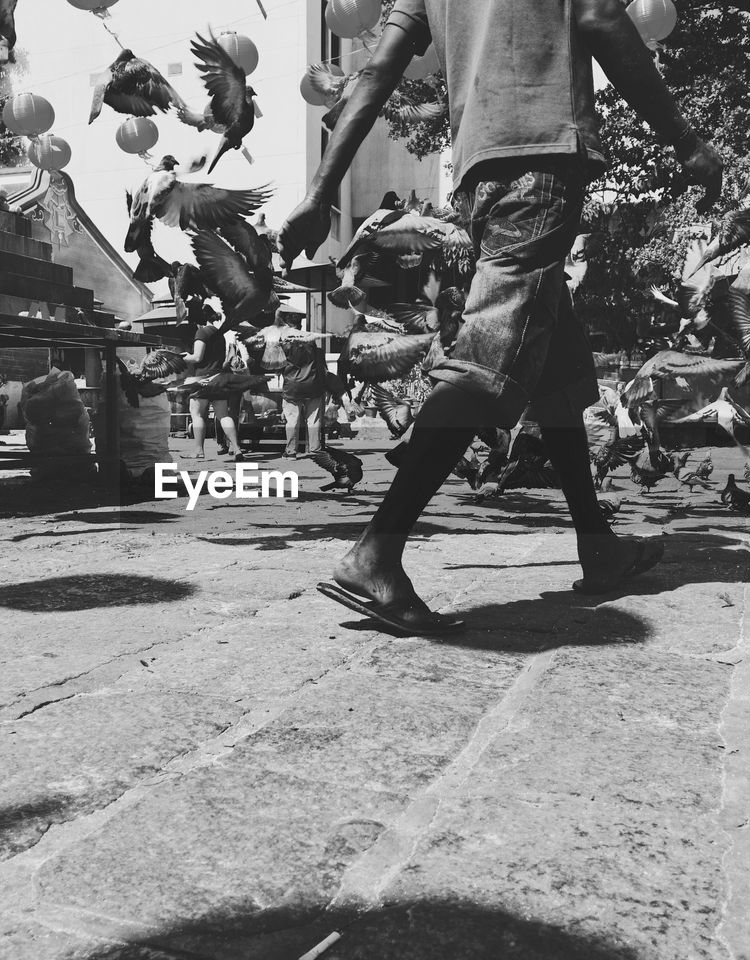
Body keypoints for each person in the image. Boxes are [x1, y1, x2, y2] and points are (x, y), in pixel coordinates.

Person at [279, 0, 723, 635]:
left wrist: (322, 193)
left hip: (480, 174)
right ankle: (376, 553)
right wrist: (684, 140)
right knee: (485, 361)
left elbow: (378, 69)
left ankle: (598, 545)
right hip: (541, 162)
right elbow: (600, 17)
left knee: (558, 373)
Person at [184, 309, 246, 460]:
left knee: (197, 415)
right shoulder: (220, 334)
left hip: (203, 379)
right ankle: (237, 448)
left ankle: (199, 450)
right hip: (218, 379)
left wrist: (185, 357)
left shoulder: (202, 332)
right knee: (224, 415)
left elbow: (197, 357)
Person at [280, 336, 327, 457]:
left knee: (292, 420)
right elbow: (322, 368)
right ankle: (315, 450)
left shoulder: (285, 348)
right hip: (313, 387)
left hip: (292, 388)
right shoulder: (316, 349)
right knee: (313, 420)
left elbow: (277, 367)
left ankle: (291, 451)